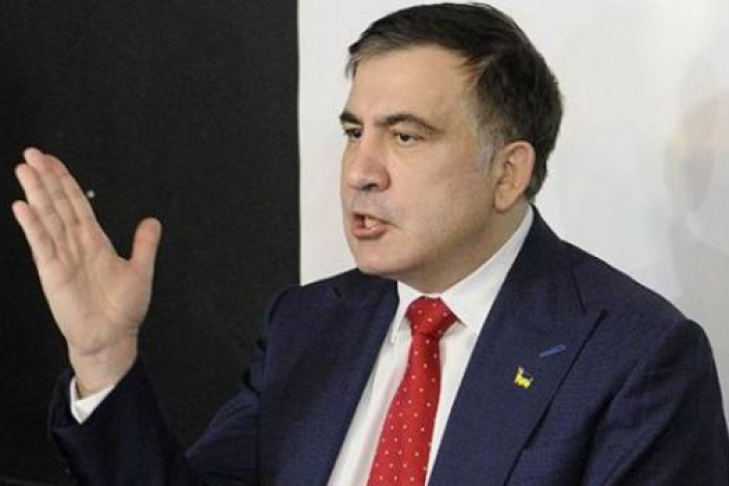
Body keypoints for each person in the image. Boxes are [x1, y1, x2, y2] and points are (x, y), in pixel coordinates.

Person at [12, 3, 729, 485]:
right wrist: (103, 358)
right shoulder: (305, 325)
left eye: (406, 136)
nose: (360, 170)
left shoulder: (635, 358)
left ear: (507, 173)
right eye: (355, 132)